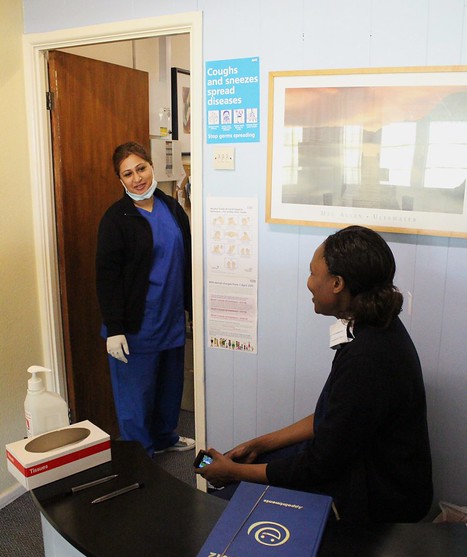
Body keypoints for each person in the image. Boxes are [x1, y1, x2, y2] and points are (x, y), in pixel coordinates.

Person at [196, 225, 433, 524]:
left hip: (379, 496)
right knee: (256, 465)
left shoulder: (367, 358)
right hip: (352, 462)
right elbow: (334, 418)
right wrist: (261, 444)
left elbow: (319, 466)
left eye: (312, 273)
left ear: (337, 283)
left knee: (221, 508)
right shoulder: (375, 328)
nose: (308, 283)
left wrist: (235, 473)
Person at [96, 141, 195, 456]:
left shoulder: (172, 208)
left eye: (141, 168)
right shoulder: (116, 219)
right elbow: (107, 277)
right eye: (128, 174)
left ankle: (165, 437)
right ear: (120, 180)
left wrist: (192, 309)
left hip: (170, 318)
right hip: (135, 325)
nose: (137, 178)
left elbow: (187, 261)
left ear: (152, 167)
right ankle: (140, 457)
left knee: (169, 388)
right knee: (135, 398)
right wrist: (114, 328)